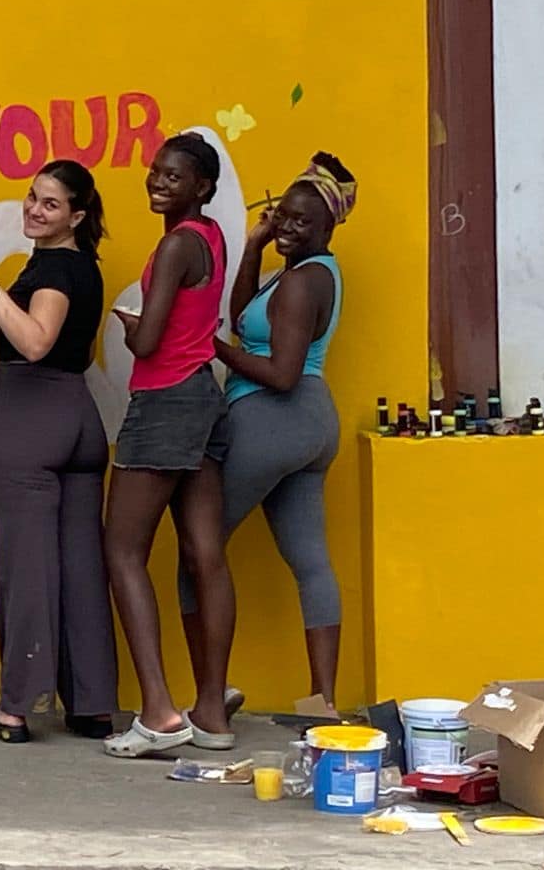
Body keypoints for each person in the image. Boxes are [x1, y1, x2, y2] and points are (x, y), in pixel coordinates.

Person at [179, 153, 357, 712]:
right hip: (311, 424)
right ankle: (322, 701)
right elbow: (246, 315)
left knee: (197, 549)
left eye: (302, 221)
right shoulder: (307, 272)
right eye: (282, 213)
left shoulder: (303, 284)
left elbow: (279, 372)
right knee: (310, 560)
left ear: (329, 229)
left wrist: (208, 348)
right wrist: (255, 247)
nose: (288, 225)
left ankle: (213, 693)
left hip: (269, 415)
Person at [0, 160, 119, 744]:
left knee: (26, 569)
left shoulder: (51, 266)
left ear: (75, 215)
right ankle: (93, 705)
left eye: (49, 204)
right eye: (31, 198)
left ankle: (16, 709)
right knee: (81, 568)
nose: (33, 209)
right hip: (79, 417)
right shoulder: (83, 266)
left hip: (31, 416)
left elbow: (34, 342)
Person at [103, 132, 236, 758]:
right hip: (205, 398)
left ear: (202, 187)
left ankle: (157, 711)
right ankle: (211, 710)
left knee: (123, 549)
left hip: (163, 402)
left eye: (174, 176)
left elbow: (150, 342)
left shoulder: (177, 243)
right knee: (204, 553)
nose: (158, 182)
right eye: (155, 172)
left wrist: (131, 325)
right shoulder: (212, 237)